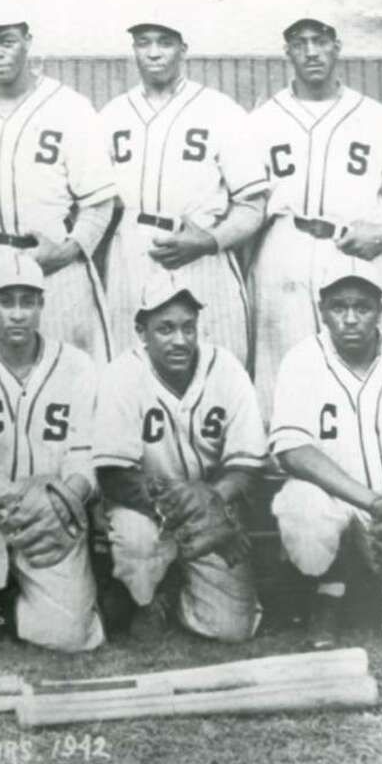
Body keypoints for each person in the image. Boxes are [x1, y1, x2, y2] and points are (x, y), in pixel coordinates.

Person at [248, 15, 382, 412]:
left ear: (337, 47)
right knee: (282, 368)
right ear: (287, 53)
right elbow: (244, 203)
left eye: (320, 40)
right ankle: (286, 465)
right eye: (300, 42)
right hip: (285, 247)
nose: (311, 51)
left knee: (367, 369)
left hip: (355, 249)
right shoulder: (261, 121)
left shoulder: (378, 118)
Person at [268, 255, 382, 649]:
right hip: (336, 504)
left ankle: (375, 596)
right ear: (322, 310)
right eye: (339, 306)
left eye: (362, 307)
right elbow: (293, 451)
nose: (350, 318)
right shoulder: (302, 361)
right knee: (301, 506)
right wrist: (371, 502)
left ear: (379, 311)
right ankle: (329, 592)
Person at [0, 254, 104, 659]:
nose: (17, 314)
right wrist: (15, 497)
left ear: (41, 305)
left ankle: (17, 595)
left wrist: (60, 501)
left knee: (68, 637)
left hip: (53, 506)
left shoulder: (78, 366)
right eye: (6, 301)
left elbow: (84, 457)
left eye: (27, 302)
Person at [91, 270, 266, 642]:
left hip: (213, 509)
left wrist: (213, 499)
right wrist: (192, 500)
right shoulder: (121, 375)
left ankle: (174, 589)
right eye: (165, 329)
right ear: (142, 332)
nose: (180, 340)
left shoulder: (227, 369)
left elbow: (248, 462)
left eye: (189, 327)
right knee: (135, 538)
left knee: (231, 630)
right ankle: (145, 598)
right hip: (145, 508)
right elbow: (113, 474)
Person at [100, 15, 267, 369]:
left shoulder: (220, 110)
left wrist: (209, 241)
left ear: (183, 49)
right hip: (132, 250)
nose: (154, 52)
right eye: (144, 42)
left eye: (165, 42)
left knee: (217, 362)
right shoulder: (113, 114)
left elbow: (252, 204)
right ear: (134, 50)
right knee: (129, 368)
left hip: (201, 250)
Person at [0, 5, 116, 360]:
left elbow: (99, 202)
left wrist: (69, 250)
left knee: (71, 380)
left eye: (6, 41)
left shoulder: (70, 106)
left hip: (53, 263)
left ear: (28, 41)